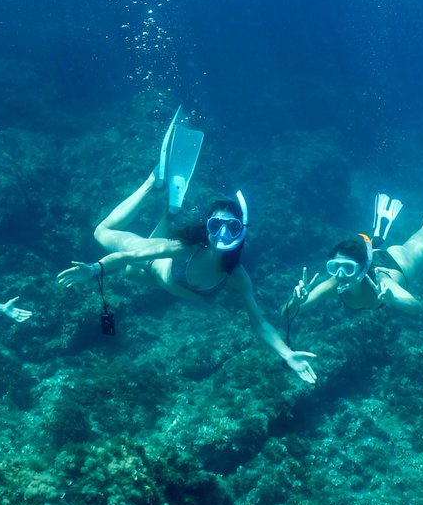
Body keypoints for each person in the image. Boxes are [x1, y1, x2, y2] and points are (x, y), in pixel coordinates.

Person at [57, 117, 317, 384]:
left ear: (241, 233)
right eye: (215, 226)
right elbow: (127, 256)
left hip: (160, 282)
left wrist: (286, 353)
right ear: (207, 228)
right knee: (102, 233)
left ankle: (170, 213)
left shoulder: (237, 275)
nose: (222, 235)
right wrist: (94, 269)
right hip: (153, 262)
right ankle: (151, 183)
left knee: (129, 275)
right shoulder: (185, 249)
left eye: (232, 228)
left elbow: (259, 322)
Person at [285, 121, 423, 318]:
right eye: (334, 267)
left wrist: (394, 299)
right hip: (368, 257)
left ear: (361, 269)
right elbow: (286, 314)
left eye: (347, 268)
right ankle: (374, 243)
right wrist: (295, 302)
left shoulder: (382, 281)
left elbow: (417, 306)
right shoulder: (333, 284)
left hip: (397, 262)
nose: (340, 275)